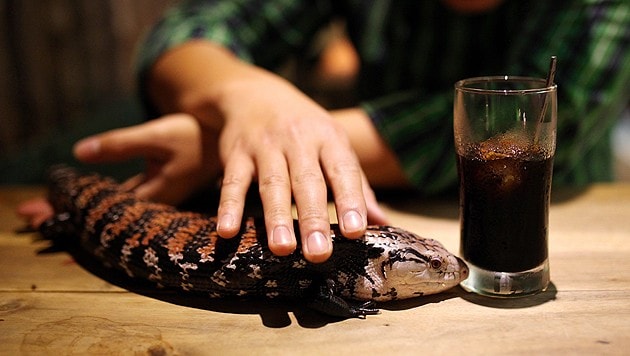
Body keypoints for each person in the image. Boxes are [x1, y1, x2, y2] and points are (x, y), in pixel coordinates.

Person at [18, 0, 630, 264]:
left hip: (563, 241)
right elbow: (194, 27)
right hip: (350, 219)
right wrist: (247, 96)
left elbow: (553, 113)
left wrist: (245, 143)